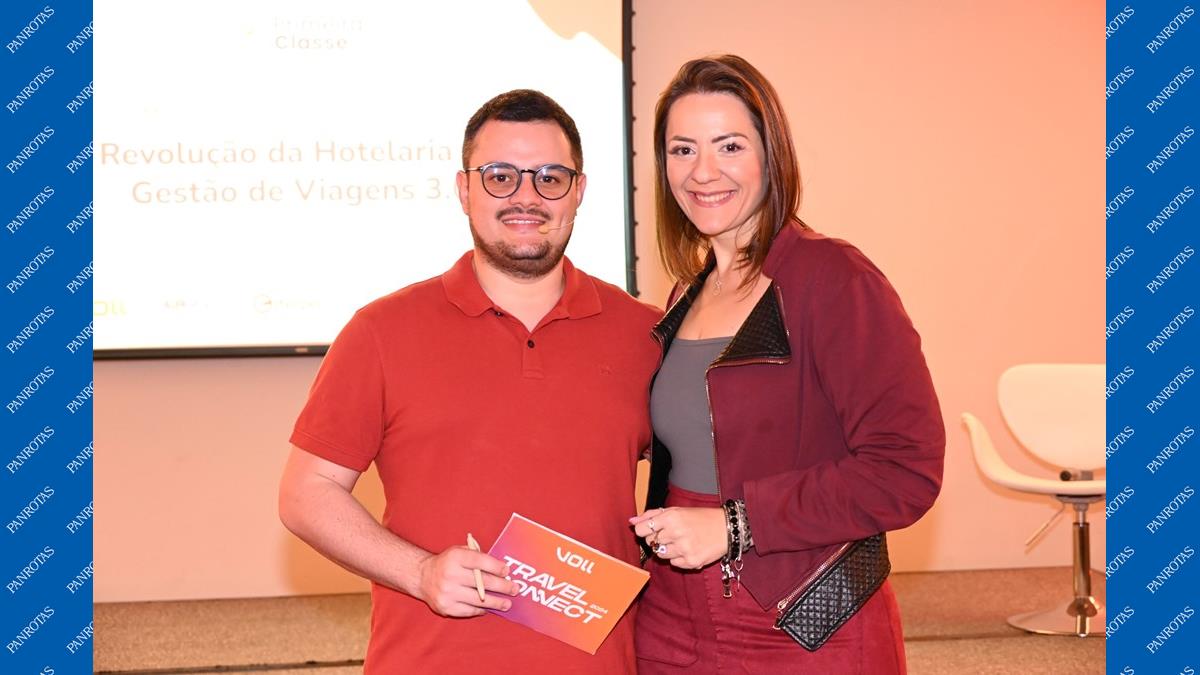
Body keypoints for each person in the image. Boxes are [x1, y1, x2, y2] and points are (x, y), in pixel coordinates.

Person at [279, 89, 661, 674]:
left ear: (578, 191)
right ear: (464, 190)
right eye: (500, 177)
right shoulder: (381, 331)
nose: (526, 197)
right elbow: (306, 493)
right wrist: (420, 572)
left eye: (550, 177)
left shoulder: (646, 335)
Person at [628, 55, 945, 673]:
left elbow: (906, 469)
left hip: (800, 618)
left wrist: (735, 525)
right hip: (670, 616)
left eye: (729, 146)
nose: (703, 172)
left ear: (770, 156)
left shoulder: (835, 278)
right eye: (683, 150)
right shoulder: (686, 294)